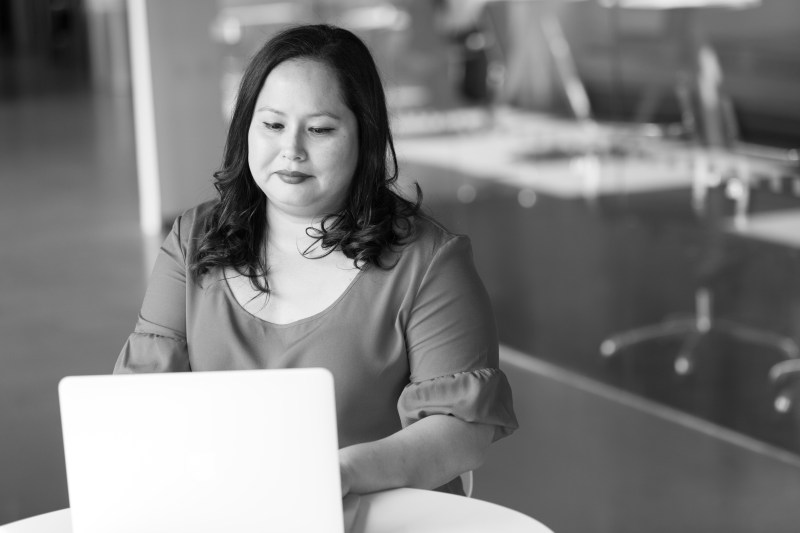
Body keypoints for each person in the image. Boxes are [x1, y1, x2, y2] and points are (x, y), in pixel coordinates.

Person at [115, 23, 517, 497]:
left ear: (365, 137)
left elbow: (461, 433)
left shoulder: (429, 261)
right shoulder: (193, 239)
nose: (291, 150)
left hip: (377, 515)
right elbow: (139, 400)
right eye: (272, 124)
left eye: (320, 129)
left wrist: (339, 476)